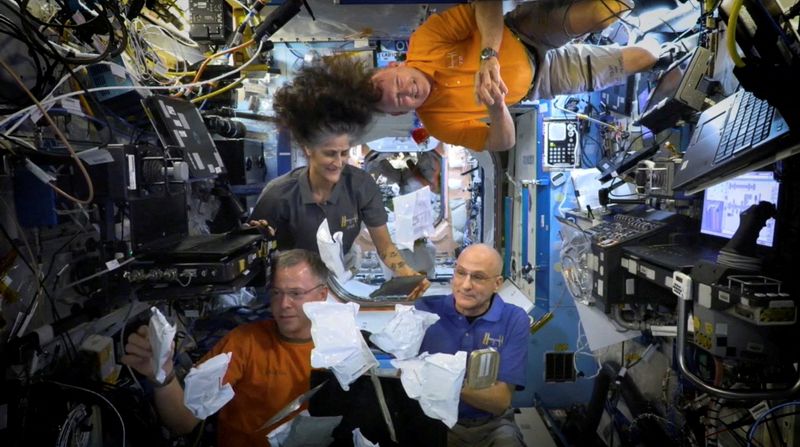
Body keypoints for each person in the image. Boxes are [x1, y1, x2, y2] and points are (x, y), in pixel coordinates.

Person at [371, 0, 662, 152]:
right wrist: (497, 109)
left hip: (524, 32)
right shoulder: (438, 125)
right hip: (543, 80)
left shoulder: (426, 40)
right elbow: (502, 142)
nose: (408, 91)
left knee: (604, 12)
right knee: (645, 59)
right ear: (399, 114)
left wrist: (489, 55)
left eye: (398, 83)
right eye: (400, 101)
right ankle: (664, 40)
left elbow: (487, 4)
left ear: (394, 66)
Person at [121, 249, 330, 447]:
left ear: (322, 295)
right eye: (276, 292)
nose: (283, 304)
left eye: (296, 293)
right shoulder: (244, 342)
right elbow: (183, 421)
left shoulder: (340, 349)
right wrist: (162, 376)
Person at [249, 57, 428, 287]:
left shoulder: (361, 185)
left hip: (339, 280)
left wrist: (410, 276)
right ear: (308, 149)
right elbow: (256, 257)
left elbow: (386, 248)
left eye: (344, 153)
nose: (338, 162)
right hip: (291, 285)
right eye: (330, 154)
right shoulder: (278, 195)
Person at [415, 243, 529, 446]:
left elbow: (500, 402)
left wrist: (438, 380)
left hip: (490, 425)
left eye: (478, 277)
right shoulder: (424, 311)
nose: (466, 285)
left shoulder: (514, 319)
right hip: (434, 421)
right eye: (461, 273)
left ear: (497, 283)